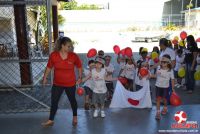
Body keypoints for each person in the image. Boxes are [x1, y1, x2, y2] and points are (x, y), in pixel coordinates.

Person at [42, 37, 82, 126]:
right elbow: (49, 67)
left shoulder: (73, 56)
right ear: (62, 46)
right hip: (57, 84)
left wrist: (79, 77)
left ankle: (75, 116)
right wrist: (44, 78)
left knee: (72, 101)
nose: (70, 48)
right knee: (54, 101)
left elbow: (79, 66)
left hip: (70, 84)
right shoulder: (54, 55)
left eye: (71, 46)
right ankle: (51, 120)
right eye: (68, 46)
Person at [151, 54, 175, 120]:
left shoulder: (170, 70)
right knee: (158, 99)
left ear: (168, 63)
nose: (162, 63)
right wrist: (149, 76)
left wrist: (173, 88)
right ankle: (158, 113)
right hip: (158, 86)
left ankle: (165, 107)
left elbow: (172, 79)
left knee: (164, 99)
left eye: (164, 62)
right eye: (161, 61)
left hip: (165, 87)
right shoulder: (159, 68)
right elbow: (155, 76)